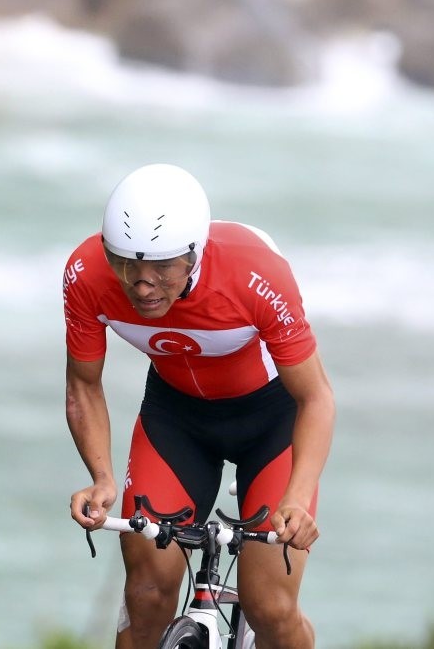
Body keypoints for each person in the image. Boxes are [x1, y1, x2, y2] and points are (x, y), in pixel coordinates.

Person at [63, 163, 335, 649]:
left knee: (270, 606)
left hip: (271, 424)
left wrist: (297, 497)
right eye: (125, 264)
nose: (142, 284)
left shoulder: (255, 274)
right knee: (145, 595)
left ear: (195, 255)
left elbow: (315, 397)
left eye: (162, 268)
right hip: (177, 420)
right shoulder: (86, 274)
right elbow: (83, 386)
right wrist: (102, 477)